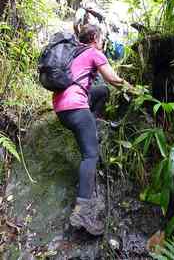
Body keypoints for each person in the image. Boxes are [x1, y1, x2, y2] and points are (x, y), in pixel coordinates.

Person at [52, 24, 132, 236]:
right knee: (90, 155)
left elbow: (100, 85)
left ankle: (92, 123)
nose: (103, 40)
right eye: (102, 37)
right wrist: (135, 91)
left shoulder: (73, 53)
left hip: (61, 109)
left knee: (101, 92)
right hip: (76, 108)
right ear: (95, 37)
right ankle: (82, 212)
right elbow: (113, 79)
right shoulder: (93, 52)